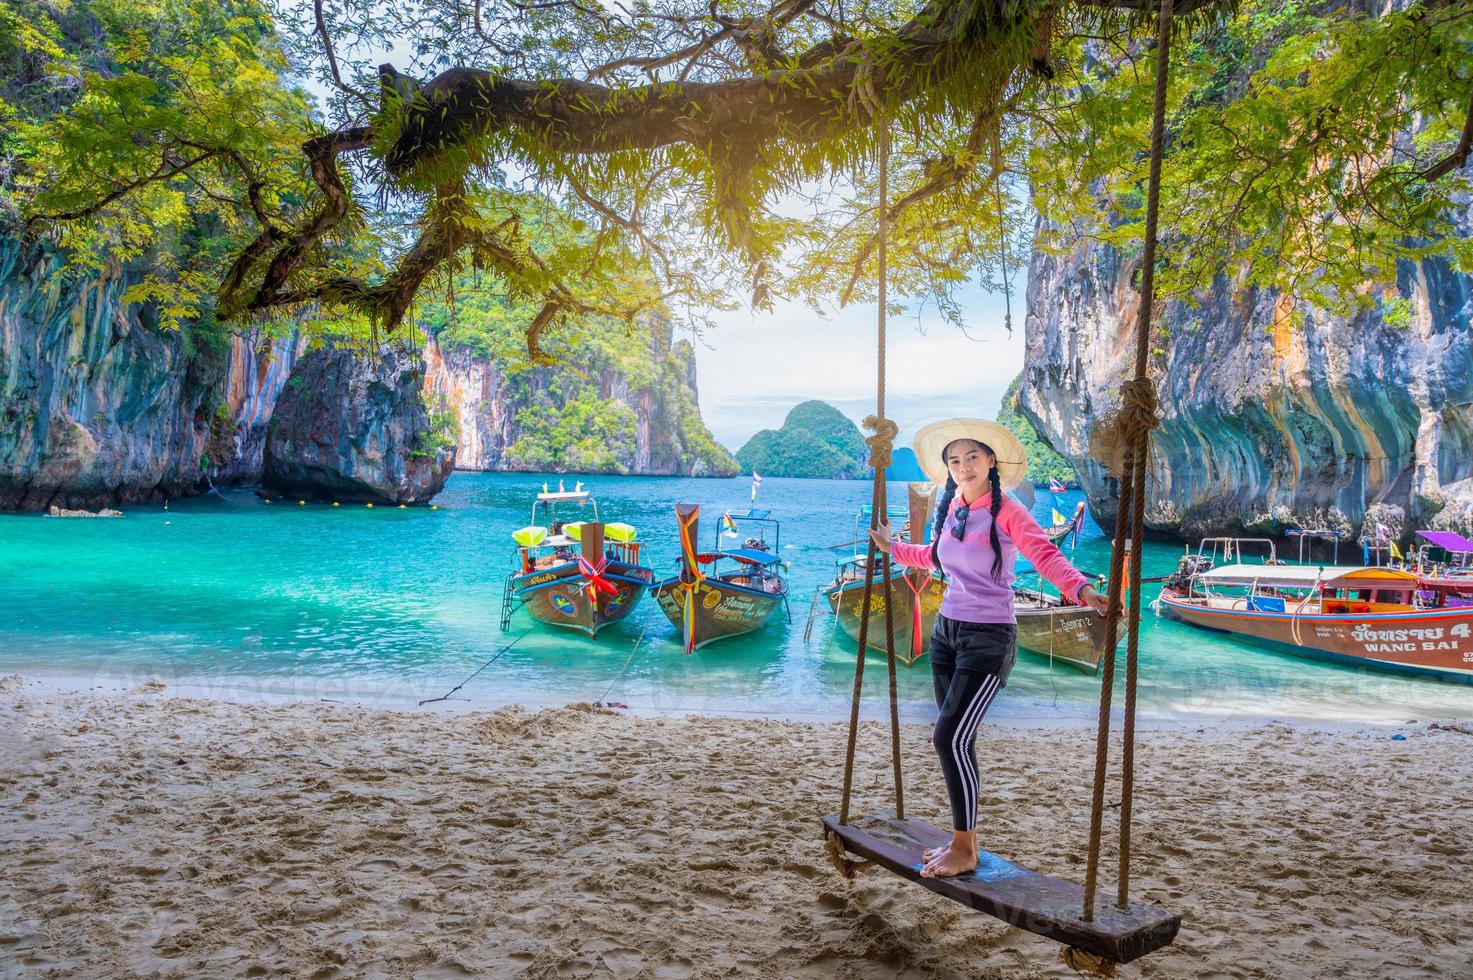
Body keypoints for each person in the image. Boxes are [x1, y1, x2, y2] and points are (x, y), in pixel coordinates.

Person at [869, 418, 1109, 878]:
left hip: (989, 637)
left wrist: (1081, 591)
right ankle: (965, 841)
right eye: (954, 461)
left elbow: (1045, 554)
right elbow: (934, 557)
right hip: (947, 634)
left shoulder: (1008, 510)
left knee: (947, 737)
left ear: (991, 460)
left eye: (972, 457)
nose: (963, 467)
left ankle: (964, 848)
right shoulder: (953, 505)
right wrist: (892, 548)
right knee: (960, 739)